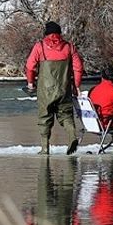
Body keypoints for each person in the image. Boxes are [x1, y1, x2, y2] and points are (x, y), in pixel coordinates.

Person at [25, 21, 84, 154]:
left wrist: (30, 83)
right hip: (64, 89)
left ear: (46, 33)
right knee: (66, 116)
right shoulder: (69, 47)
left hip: (45, 91)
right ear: (59, 33)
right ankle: (72, 137)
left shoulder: (39, 46)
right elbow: (78, 68)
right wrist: (77, 86)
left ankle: (45, 148)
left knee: (45, 117)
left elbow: (30, 67)